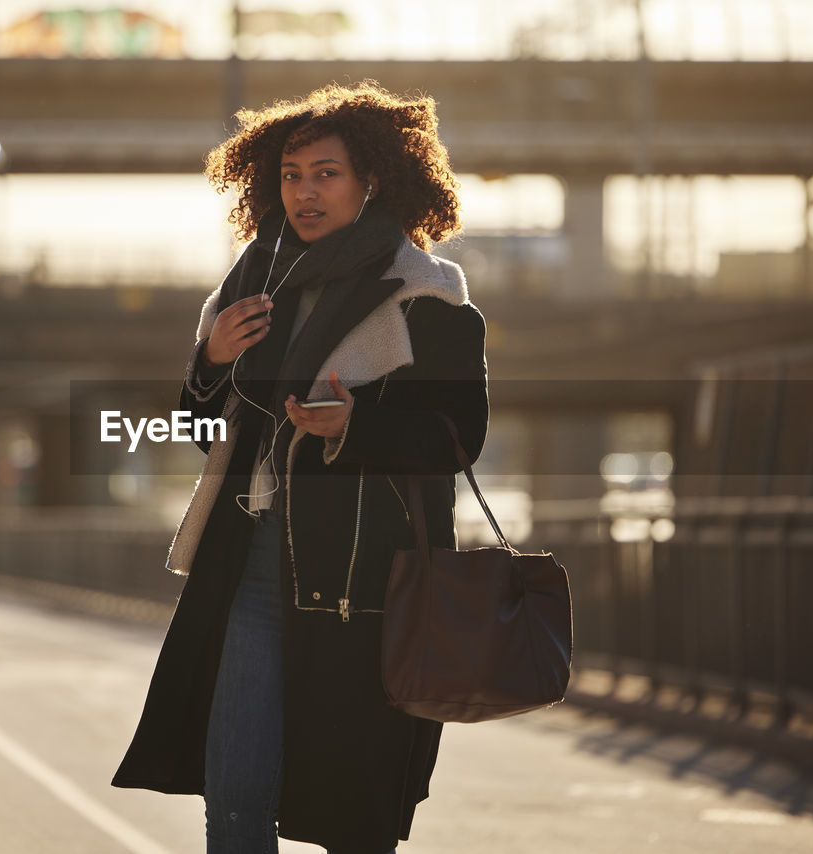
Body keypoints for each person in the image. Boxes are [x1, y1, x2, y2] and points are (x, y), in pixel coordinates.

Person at [112, 80, 490, 854]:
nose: (305, 192)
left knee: (354, 810)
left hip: (368, 584)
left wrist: (358, 426)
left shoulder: (426, 298)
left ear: (372, 182)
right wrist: (210, 359)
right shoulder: (250, 288)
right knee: (236, 791)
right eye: (291, 175)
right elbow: (195, 426)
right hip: (251, 560)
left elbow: (457, 437)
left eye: (326, 174)